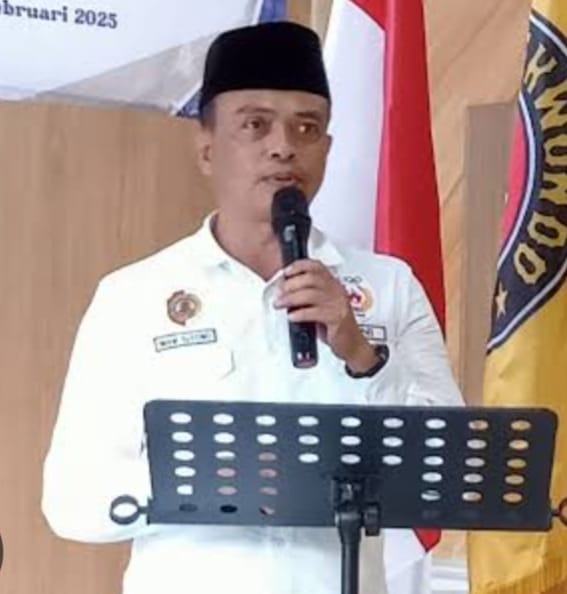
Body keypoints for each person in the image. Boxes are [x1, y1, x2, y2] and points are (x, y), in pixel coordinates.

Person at [42, 21, 463, 594]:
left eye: (307, 127)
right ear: (207, 149)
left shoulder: (387, 286)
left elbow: (448, 472)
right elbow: (73, 502)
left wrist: (361, 354)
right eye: (255, 124)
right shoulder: (133, 297)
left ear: (327, 150)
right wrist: (215, 482)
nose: (283, 145)